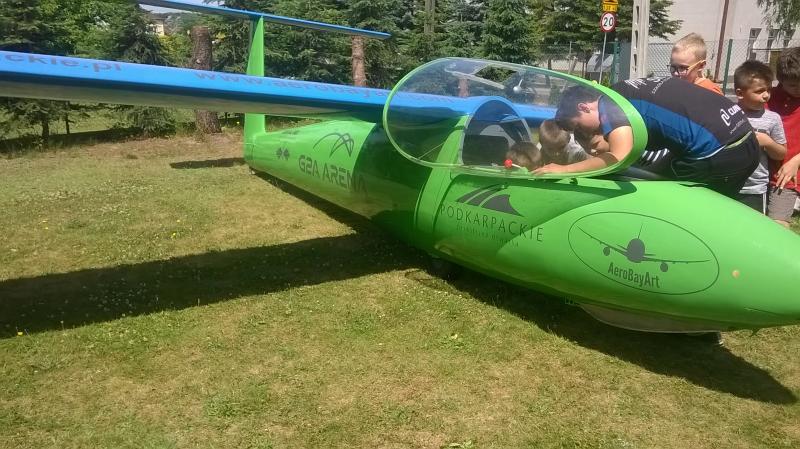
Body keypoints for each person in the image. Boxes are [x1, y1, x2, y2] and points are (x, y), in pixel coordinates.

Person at [537, 77, 759, 198]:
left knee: (660, 204)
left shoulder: (610, 105)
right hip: (745, 139)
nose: (584, 133)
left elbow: (618, 157)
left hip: (720, 153)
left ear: (584, 107)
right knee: (654, 180)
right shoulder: (625, 90)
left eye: (578, 126)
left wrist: (564, 170)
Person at [733, 61, 787, 213]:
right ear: (740, 93)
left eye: (769, 90)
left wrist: (768, 143)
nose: (766, 95)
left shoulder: (773, 119)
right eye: (759, 91)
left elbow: (781, 153)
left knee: (752, 226)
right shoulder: (729, 114)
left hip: (755, 188)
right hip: (727, 184)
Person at [767, 47, 800, 227]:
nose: (798, 89)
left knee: (778, 223)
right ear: (781, 81)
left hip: (787, 178)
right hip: (765, 171)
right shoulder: (769, 96)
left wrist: (796, 160)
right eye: (793, 85)